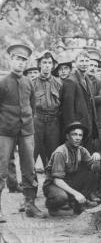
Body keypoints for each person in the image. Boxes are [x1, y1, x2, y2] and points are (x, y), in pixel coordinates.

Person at [0, 44, 46, 221]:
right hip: (5, 131)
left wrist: (26, 123)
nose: (20, 63)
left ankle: (30, 205)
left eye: (23, 60)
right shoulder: (3, 83)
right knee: (1, 168)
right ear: (10, 60)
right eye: (17, 59)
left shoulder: (28, 82)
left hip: (26, 130)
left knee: (29, 167)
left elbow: (32, 106)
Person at [43, 122, 101, 217]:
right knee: (61, 197)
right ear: (67, 136)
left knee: (91, 175)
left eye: (80, 135)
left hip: (69, 181)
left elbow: (94, 168)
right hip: (53, 185)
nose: (77, 137)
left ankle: (77, 204)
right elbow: (57, 180)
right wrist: (76, 194)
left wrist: (97, 157)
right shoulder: (61, 152)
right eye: (74, 134)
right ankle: (53, 208)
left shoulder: (81, 150)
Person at [61, 51, 98, 152]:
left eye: (86, 61)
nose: (84, 63)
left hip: (87, 126)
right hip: (77, 128)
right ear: (75, 63)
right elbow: (68, 110)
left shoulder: (88, 81)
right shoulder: (71, 81)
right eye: (81, 61)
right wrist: (72, 130)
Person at [33, 50, 63, 169]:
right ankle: (30, 182)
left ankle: (50, 182)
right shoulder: (32, 83)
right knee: (33, 152)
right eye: (44, 62)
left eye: (49, 62)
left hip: (53, 122)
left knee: (53, 153)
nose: (46, 65)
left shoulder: (58, 83)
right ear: (39, 64)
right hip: (37, 121)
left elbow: (62, 105)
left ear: (53, 65)